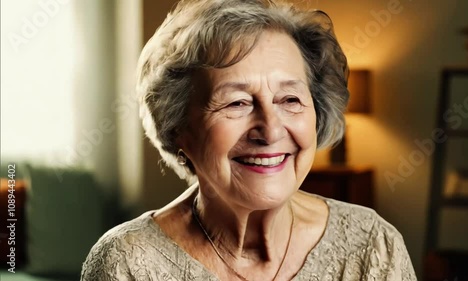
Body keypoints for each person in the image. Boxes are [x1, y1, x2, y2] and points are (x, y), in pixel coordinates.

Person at [81, 0, 417, 280]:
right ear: (179, 127)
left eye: (290, 100)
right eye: (236, 103)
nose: (270, 131)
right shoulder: (127, 263)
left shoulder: (373, 246)